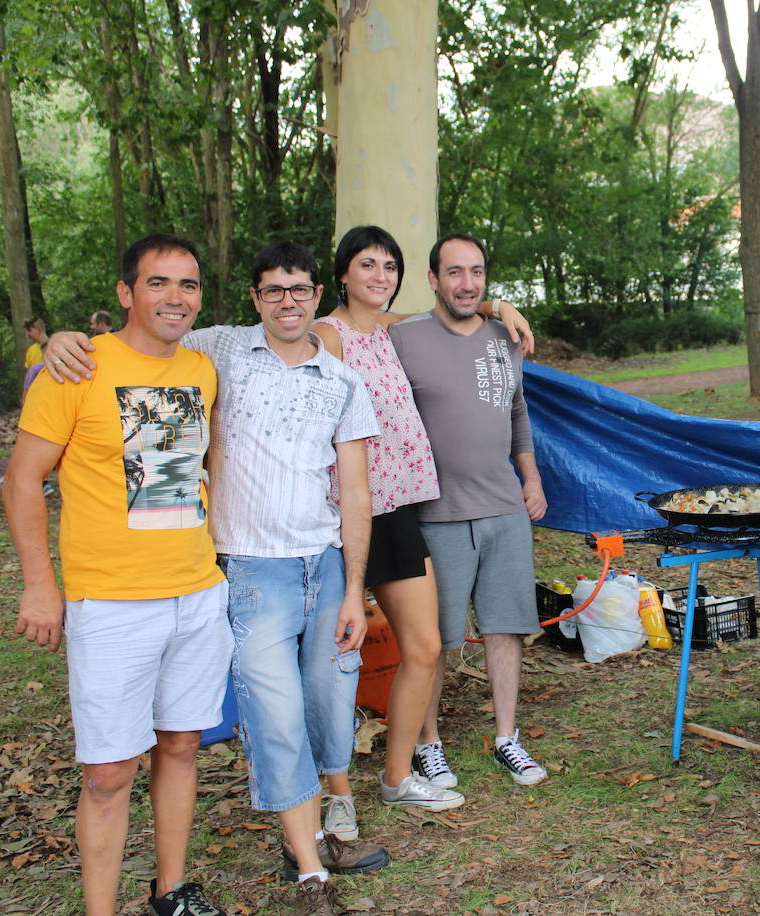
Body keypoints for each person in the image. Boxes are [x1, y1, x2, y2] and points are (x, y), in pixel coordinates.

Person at [43, 242, 392, 915]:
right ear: (253, 299)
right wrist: (64, 340)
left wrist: (355, 586)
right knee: (277, 717)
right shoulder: (221, 352)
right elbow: (140, 336)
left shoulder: (340, 380)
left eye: (299, 290)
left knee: (324, 707)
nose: (287, 301)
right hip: (245, 569)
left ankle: (311, 839)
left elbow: (354, 491)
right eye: (272, 291)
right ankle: (312, 871)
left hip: (317, 565)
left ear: (319, 297)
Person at [3, 234, 233, 916]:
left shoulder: (202, 370)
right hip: (110, 601)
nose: (175, 297)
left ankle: (172, 889)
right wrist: (41, 584)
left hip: (195, 590)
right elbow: (20, 482)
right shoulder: (73, 368)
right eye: (158, 283)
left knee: (184, 743)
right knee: (108, 772)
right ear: (126, 293)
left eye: (188, 285)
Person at [311, 226, 536, 826]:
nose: (380, 276)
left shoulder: (390, 331)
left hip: (397, 510)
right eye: (367, 265)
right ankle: (334, 798)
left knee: (427, 644)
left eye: (390, 266)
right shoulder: (325, 336)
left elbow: (449, 308)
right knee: (329, 658)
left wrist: (497, 305)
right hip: (340, 514)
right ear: (342, 273)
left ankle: (397, 774)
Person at [389, 233, 550, 790]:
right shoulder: (402, 338)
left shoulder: (506, 338)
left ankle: (507, 736)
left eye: (476, 273)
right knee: (435, 639)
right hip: (437, 513)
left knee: (506, 628)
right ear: (433, 280)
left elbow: (518, 412)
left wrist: (530, 477)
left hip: (503, 505)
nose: (466, 283)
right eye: (453, 272)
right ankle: (427, 742)